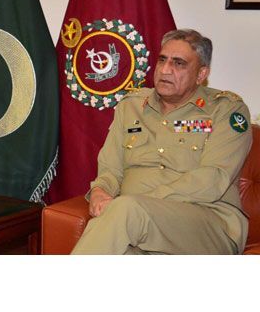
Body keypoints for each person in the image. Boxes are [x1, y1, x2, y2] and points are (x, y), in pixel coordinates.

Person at [71, 29, 252, 255]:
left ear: (201, 74)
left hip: (206, 221)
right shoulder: (132, 106)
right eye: (163, 60)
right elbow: (111, 167)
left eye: (179, 64)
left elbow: (213, 179)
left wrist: (138, 204)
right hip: (137, 224)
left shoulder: (226, 110)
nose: (166, 70)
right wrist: (99, 190)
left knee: (126, 211)